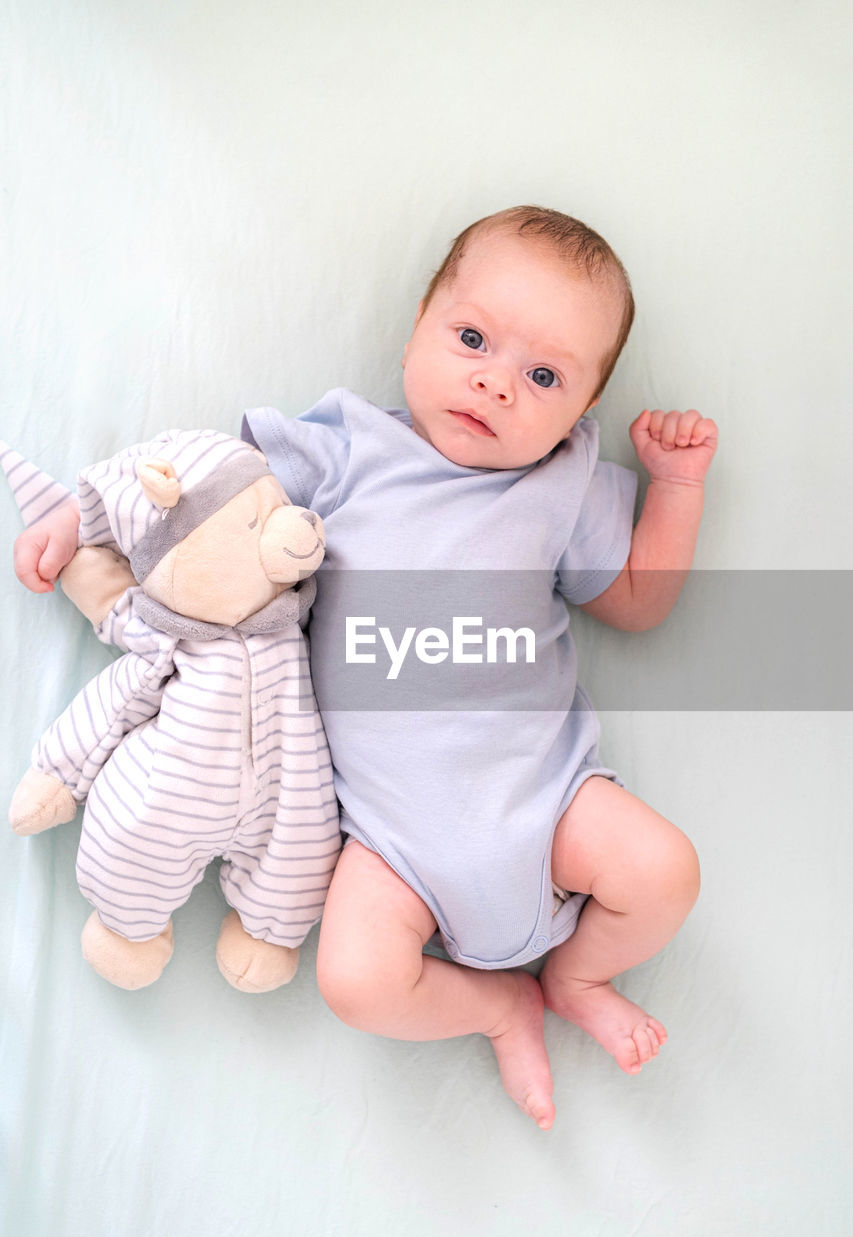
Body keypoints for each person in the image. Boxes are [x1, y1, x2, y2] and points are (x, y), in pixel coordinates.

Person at [14, 206, 716, 1129]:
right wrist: (84, 515)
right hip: (390, 843)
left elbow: (633, 600)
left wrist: (675, 490)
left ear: (581, 412)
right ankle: (497, 1009)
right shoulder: (342, 448)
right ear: (414, 329)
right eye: (471, 338)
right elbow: (194, 488)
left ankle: (580, 977)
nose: (495, 384)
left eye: (542, 376)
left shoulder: (565, 480)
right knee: (355, 980)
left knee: (664, 870)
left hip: (547, 802)